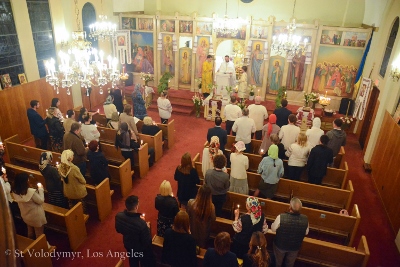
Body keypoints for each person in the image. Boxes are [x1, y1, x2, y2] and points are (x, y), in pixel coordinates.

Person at [115, 195, 156, 267]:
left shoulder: (119, 216)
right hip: (140, 249)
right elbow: (147, 242)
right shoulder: (141, 224)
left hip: (128, 245)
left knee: (133, 261)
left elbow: (118, 230)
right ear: (136, 207)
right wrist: (147, 228)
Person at [271, 197, 309, 267]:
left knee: (277, 263)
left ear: (290, 207)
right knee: (289, 264)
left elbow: (273, 229)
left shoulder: (281, 217)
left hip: (280, 245)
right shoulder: (305, 219)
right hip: (294, 247)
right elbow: (306, 232)